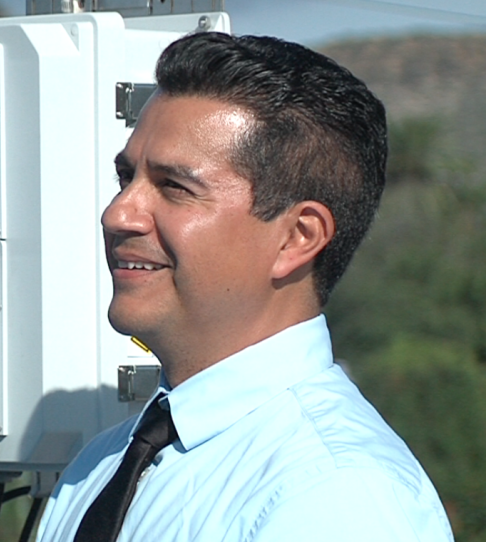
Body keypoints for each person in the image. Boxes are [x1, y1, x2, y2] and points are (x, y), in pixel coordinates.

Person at [36, 32, 454, 541]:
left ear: (297, 238)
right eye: (127, 178)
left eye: (174, 187)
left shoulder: (335, 493)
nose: (118, 213)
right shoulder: (99, 466)